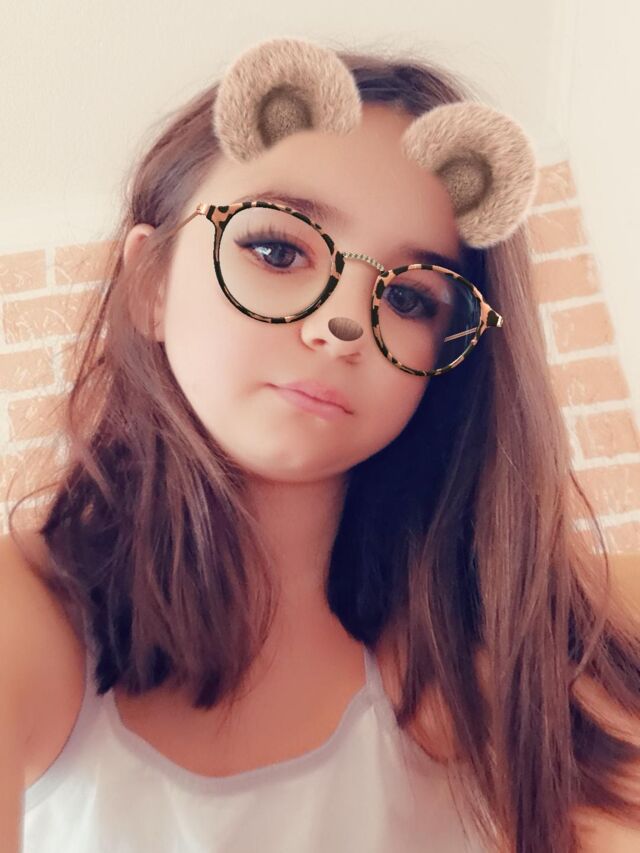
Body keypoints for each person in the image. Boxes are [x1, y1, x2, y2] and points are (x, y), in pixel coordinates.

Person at [2, 35, 640, 853]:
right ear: (150, 284)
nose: (343, 323)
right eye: (278, 250)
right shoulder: (28, 615)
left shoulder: (522, 641)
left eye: (410, 298)